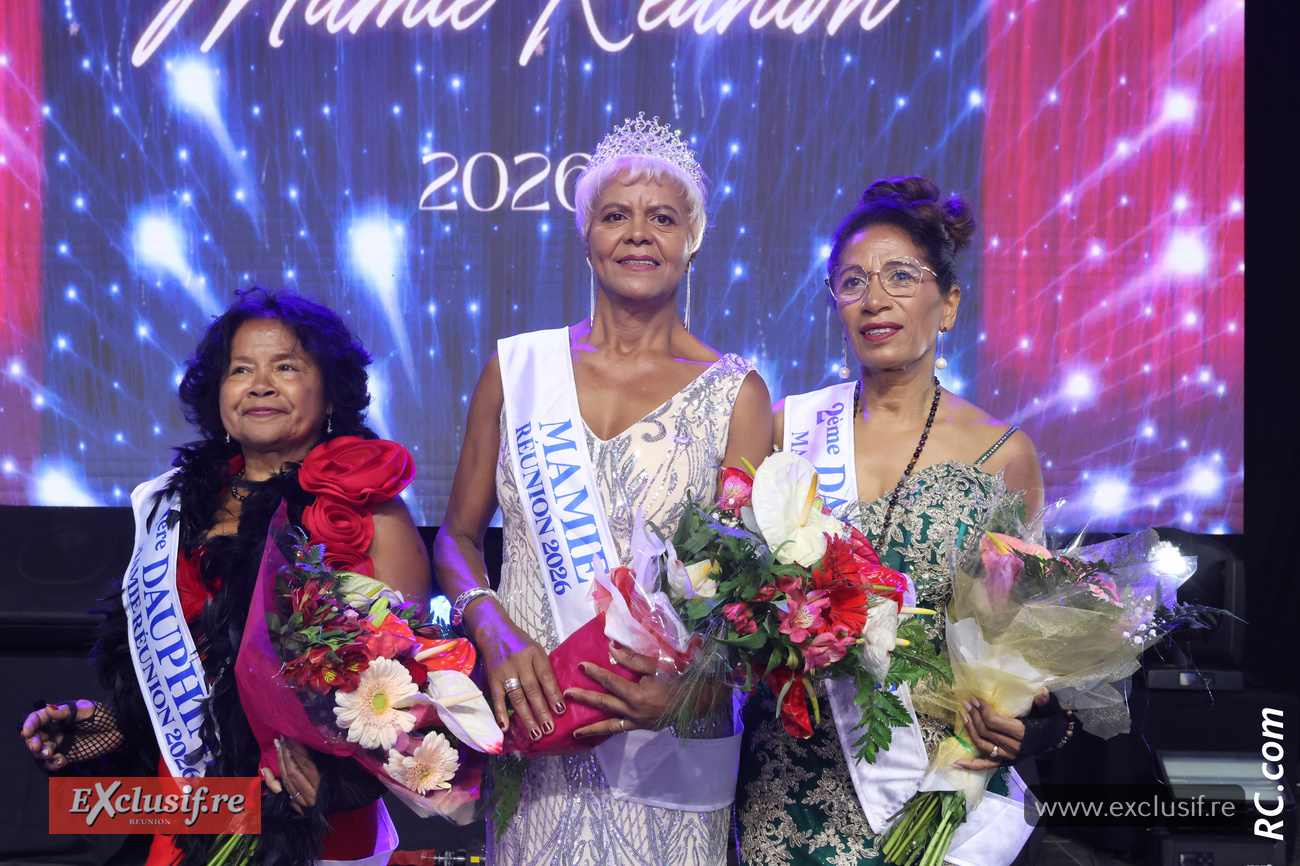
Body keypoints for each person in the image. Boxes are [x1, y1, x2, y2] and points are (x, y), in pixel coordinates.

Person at [434, 113, 773, 866]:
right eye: (615, 215)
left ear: (695, 239)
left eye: (663, 217)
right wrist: (490, 625)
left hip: (668, 750)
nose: (638, 234)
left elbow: (750, 591)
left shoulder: (736, 394)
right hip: (538, 743)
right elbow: (456, 538)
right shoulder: (515, 371)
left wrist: (687, 695)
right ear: (585, 236)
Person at [19, 289, 430, 866]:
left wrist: (340, 783)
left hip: (313, 833)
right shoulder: (170, 508)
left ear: (331, 390)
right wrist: (122, 730)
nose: (260, 384)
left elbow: (411, 692)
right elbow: (191, 677)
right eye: (241, 369)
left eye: (285, 366)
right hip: (189, 824)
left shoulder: (371, 513)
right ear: (219, 394)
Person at [735, 177, 1070, 865]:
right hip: (793, 782)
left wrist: (1028, 726)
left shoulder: (1004, 455)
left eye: (900, 276)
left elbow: (1033, 650)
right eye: (852, 281)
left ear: (947, 304)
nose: (874, 299)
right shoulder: (788, 429)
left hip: (936, 795)